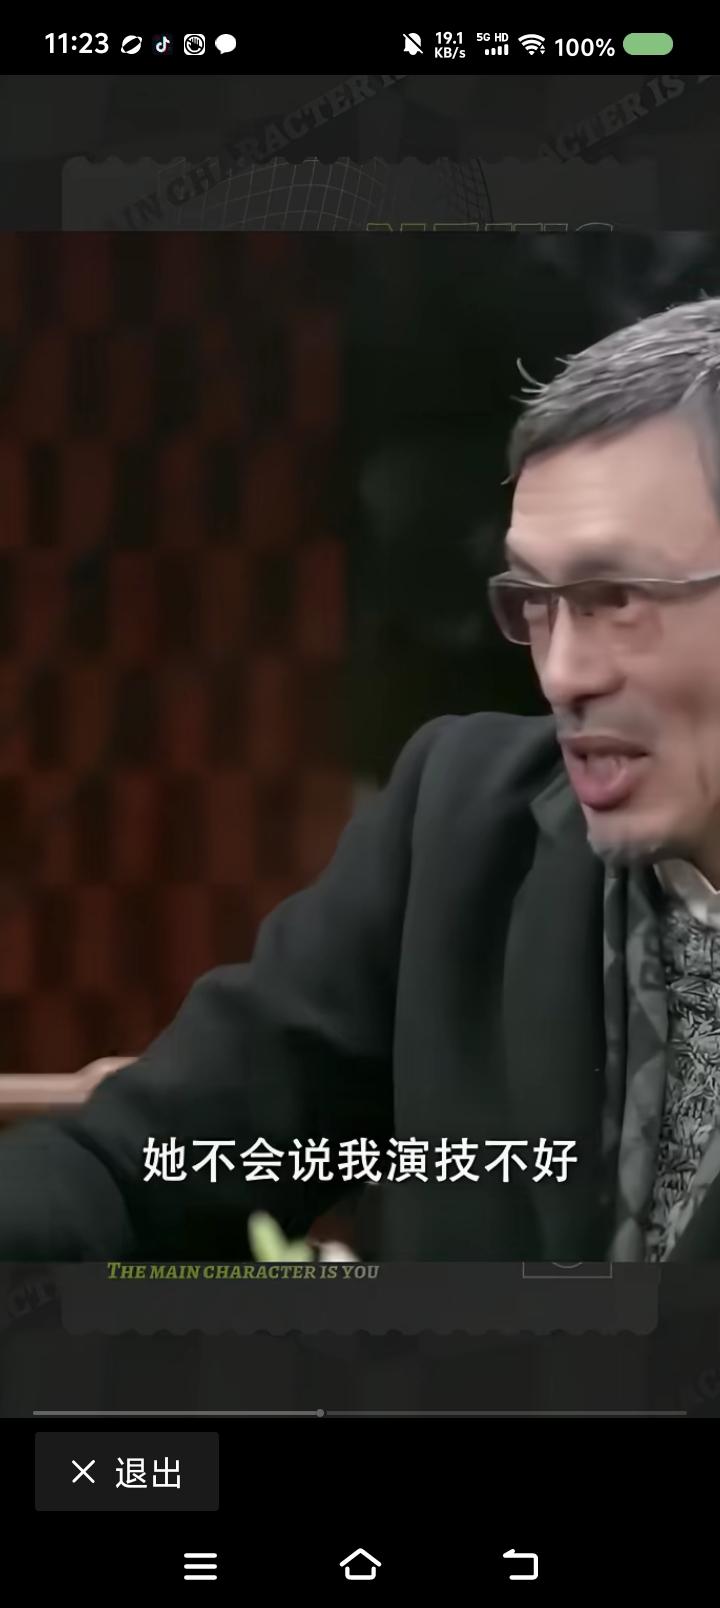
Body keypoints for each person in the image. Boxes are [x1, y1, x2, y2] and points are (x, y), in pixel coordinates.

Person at [3, 294, 720, 1264]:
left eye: (617, 598)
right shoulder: (463, 826)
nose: (561, 674)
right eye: (535, 601)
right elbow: (140, 1170)